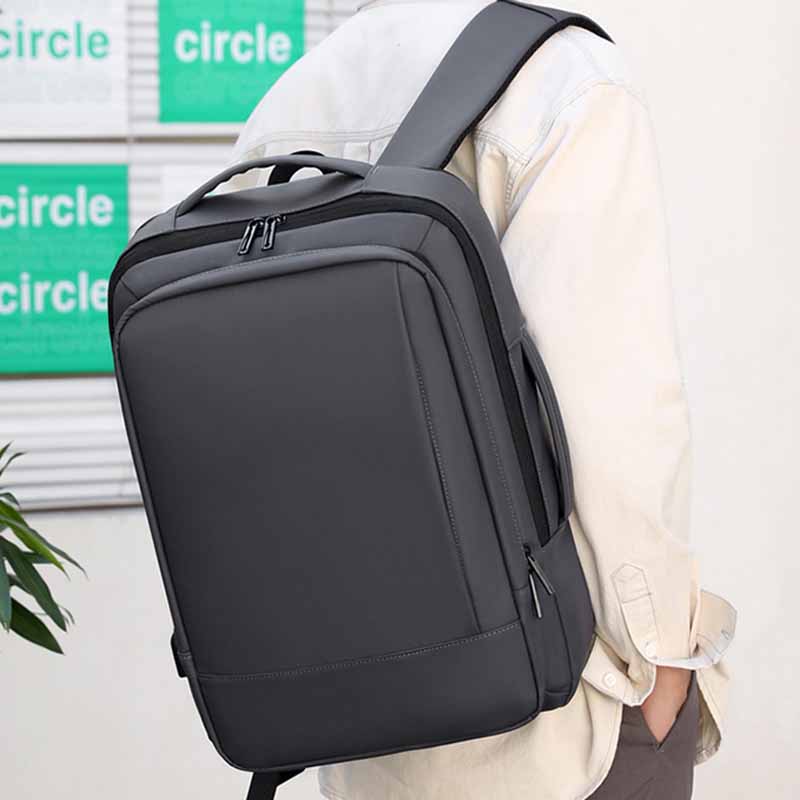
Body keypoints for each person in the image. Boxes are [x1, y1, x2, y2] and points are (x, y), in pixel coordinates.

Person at [230, 1, 736, 798]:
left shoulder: (287, 104)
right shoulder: (564, 79)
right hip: (565, 726)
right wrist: (661, 665)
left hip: (367, 729)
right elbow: (617, 425)